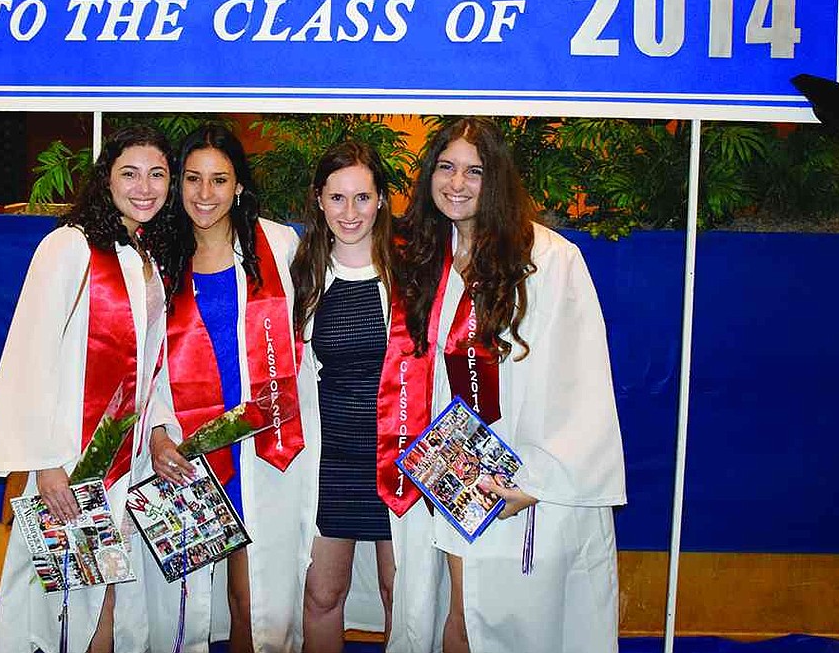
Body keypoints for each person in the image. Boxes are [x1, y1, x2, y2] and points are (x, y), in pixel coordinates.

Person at [392, 116, 626, 653]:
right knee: (458, 612)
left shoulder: (547, 259)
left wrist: (538, 479)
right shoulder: (431, 256)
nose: (456, 183)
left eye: (473, 171)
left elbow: (581, 377)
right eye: (446, 168)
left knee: (514, 623)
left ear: (495, 179)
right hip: (452, 473)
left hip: (522, 478)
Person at [0, 123, 175, 653]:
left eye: (157, 174)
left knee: (111, 595)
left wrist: (158, 432)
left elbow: (151, 366)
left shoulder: (148, 257)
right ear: (106, 180)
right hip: (72, 460)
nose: (144, 187)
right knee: (64, 608)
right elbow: (28, 356)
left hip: (127, 463)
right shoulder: (68, 247)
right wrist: (45, 463)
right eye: (129, 173)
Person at [144, 123, 320, 653]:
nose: (204, 194)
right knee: (190, 607)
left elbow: (308, 341)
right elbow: (144, 360)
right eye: (193, 179)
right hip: (189, 448)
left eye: (219, 180)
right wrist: (156, 432)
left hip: (264, 448)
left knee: (255, 599)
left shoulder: (278, 244)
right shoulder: (156, 257)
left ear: (239, 185)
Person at [291, 140, 402, 651]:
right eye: (338, 198)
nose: (350, 212)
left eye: (362, 197)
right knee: (320, 595)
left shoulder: (413, 274)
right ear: (318, 200)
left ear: (381, 199)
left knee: (401, 595)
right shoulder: (303, 276)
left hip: (402, 460)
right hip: (331, 461)